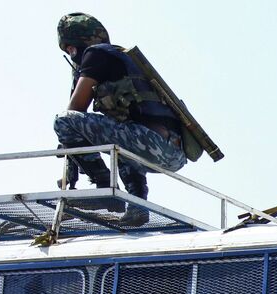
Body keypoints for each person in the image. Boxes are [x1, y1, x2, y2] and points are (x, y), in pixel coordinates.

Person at [53, 13, 188, 226]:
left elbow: (74, 110)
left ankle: (104, 188)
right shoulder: (120, 58)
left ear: (79, 44)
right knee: (120, 137)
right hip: (172, 153)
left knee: (63, 121)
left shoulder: (95, 56)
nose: (70, 54)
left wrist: (74, 154)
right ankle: (137, 206)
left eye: (70, 48)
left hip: (152, 142)